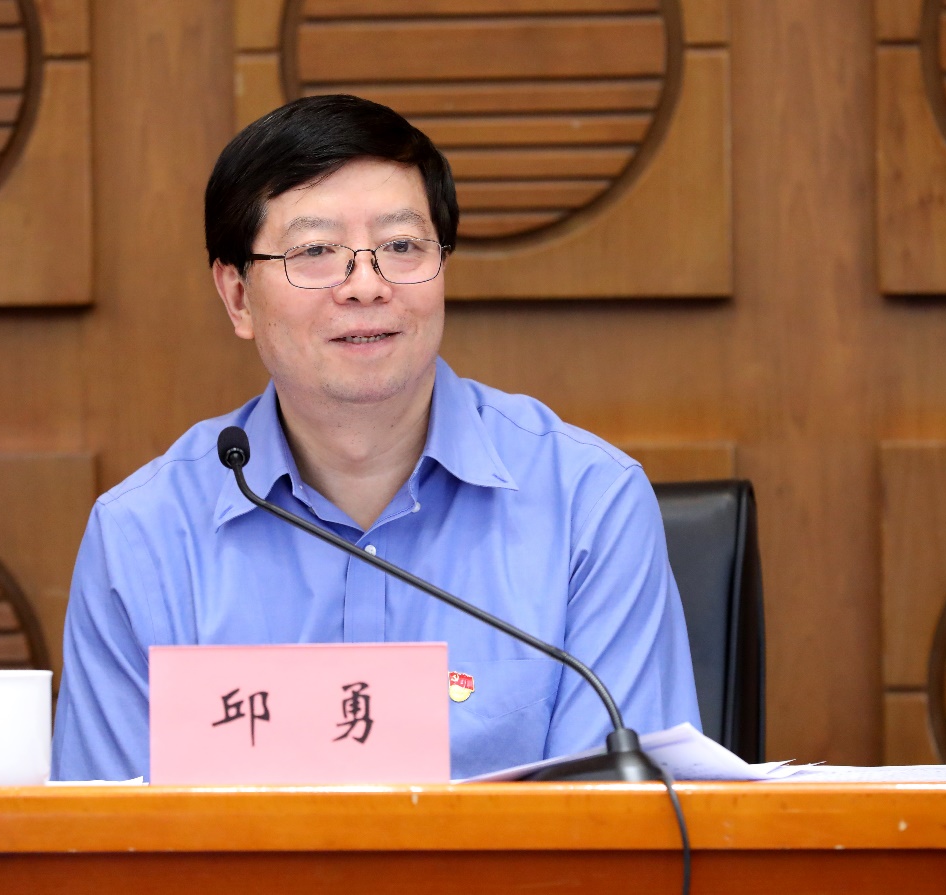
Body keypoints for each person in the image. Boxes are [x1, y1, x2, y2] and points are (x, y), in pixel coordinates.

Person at [51, 94, 700, 781]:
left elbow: (616, 823)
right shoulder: (145, 535)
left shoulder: (587, 505)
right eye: (315, 251)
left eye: (401, 247)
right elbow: (108, 831)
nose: (365, 286)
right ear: (237, 296)